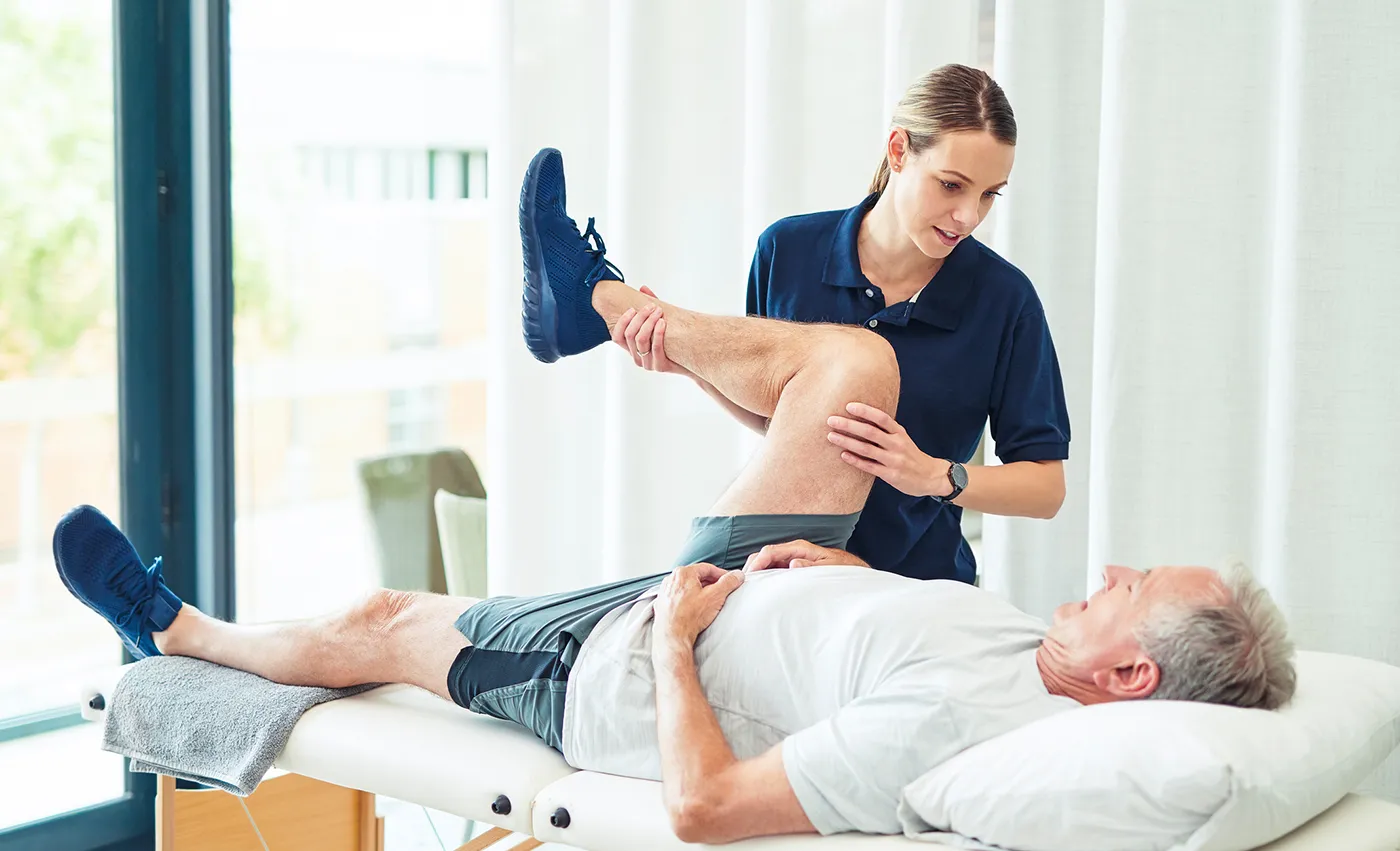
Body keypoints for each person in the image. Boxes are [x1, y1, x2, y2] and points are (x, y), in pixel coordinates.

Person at [55, 221, 1296, 842]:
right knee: (855, 363)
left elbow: (703, 806)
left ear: (1128, 673)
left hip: (625, 660)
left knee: (389, 623)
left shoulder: (968, 733)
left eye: (1132, 588)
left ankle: (179, 626)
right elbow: (890, 640)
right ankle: (595, 306)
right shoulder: (1033, 652)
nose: (1110, 571)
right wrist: (846, 568)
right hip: (743, 581)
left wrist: (667, 646)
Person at [592, 63, 1067, 583]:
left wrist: (935, 475)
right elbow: (780, 418)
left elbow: (1046, 489)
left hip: (910, 585)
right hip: (779, 566)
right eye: (951, 185)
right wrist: (688, 367)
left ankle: (592, 297)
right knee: (658, 612)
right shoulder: (787, 250)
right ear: (898, 150)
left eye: (988, 194)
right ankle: (613, 306)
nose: (969, 216)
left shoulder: (1004, 299)